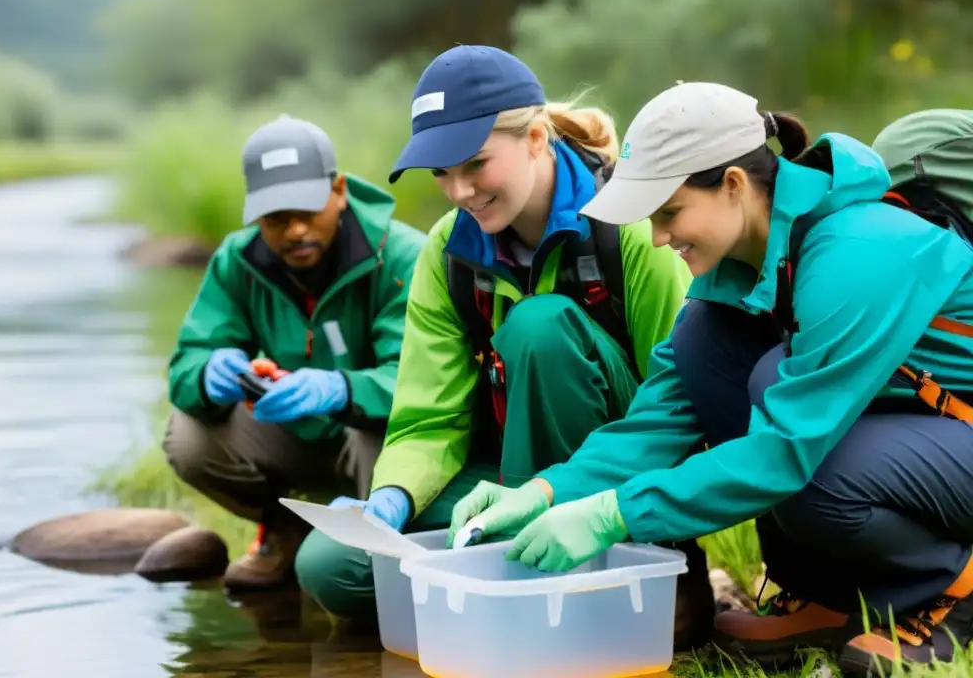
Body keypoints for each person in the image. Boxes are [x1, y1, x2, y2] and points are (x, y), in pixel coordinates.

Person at [450, 86, 973, 674]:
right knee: (706, 347)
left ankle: (951, 586)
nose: (657, 239)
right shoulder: (737, 272)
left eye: (669, 213)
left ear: (732, 184)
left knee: (808, 467)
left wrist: (615, 514)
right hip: (921, 435)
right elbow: (659, 417)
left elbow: (783, 455)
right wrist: (547, 491)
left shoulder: (857, 251)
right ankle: (833, 597)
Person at [293, 45, 713, 647]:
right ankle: (518, 572)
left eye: (475, 164)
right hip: (500, 478)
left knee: (539, 327)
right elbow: (428, 418)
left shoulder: (632, 227)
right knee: (330, 566)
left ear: (537, 138)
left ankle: (630, 567)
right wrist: (389, 500)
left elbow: (681, 407)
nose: (459, 190)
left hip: (613, 479)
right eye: (440, 173)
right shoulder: (446, 252)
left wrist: (629, 511)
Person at [163, 114, 425, 592]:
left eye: (308, 210)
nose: (296, 231)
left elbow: (422, 386)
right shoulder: (237, 261)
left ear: (340, 190)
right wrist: (209, 375)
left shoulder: (405, 257)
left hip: (377, 439)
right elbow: (188, 363)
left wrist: (340, 388)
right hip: (298, 435)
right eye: (276, 218)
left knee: (377, 427)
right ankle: (287, 527)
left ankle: (377, 567)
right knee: (188, 436)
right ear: (255, 215)